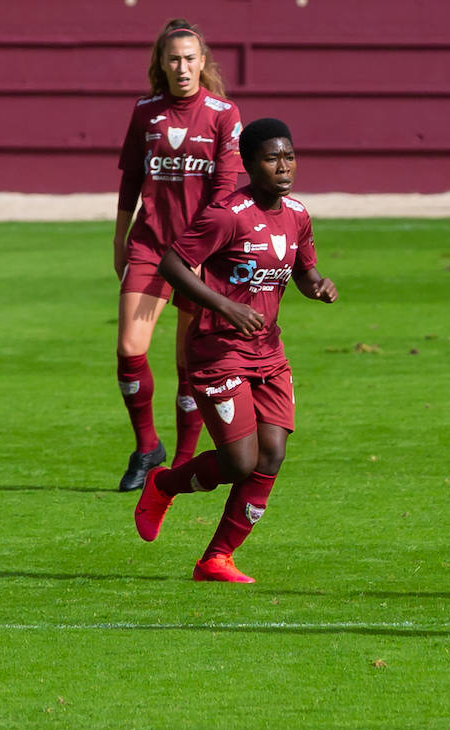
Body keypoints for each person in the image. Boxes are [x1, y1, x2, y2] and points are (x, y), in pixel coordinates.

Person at [133, 118, 337, 583]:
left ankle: (215, 559)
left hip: (268, 352)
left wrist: (318, 286)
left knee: (271, 457)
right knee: (239, 462)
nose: (283, 166)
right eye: (271, 158)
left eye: (288, 156)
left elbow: (304, 271)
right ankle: (163, 483)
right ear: (248, 164)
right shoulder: (227, 213)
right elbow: (172, 263)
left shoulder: (299, 214)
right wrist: (226, 306)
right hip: (217, 349)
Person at [113, 18, 243, 491]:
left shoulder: (223, 113)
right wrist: (118, 236)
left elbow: (226, 191)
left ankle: (179, 462)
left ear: (202, 63)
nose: (182, 66)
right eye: (174, 58)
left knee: (189, 362)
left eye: (190, 58)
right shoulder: (146, 111)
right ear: (162, 65)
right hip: (149, 245)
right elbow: (131, 176)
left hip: (201, 254)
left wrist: (207, 251)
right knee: (130, 349)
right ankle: (147, 447)